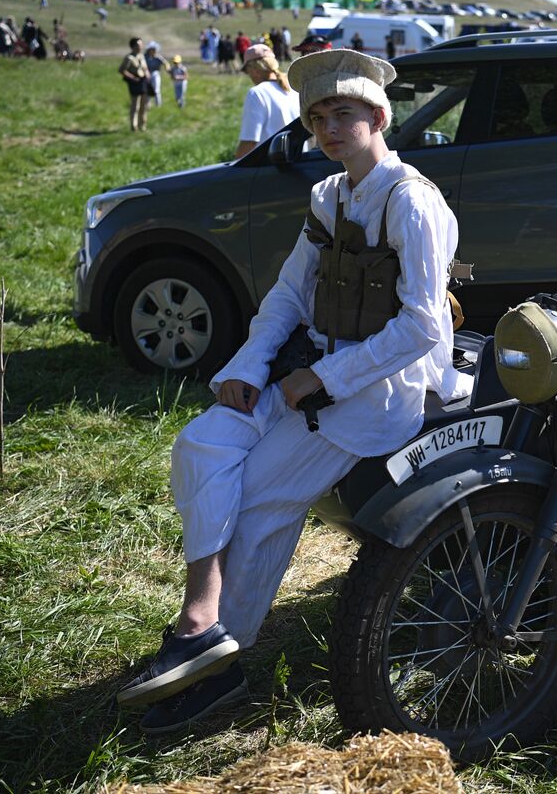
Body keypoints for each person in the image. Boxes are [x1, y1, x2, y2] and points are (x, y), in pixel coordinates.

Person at [116, 49, 464, 735]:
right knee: (203, 444)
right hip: (311, 374)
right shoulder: (329, 197)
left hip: (378, 397)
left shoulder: (411, 202)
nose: (329, 128)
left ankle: (218, 667)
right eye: (316, 117)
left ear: (379, 116)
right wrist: (249, 364)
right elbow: (287, 294)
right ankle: (204, 620)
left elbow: (425, 324)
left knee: (260, 501)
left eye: (343, 113)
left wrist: (323, 378)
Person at [233, 43, 298, 158]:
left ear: (253, 69)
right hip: (297, 161)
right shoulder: (292, 90)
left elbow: (249, 142)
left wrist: (233, 170)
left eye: (247, 71)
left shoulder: (257, 93)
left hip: (268, 167)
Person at [120, 37, 152, 131]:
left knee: (144, 105)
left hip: (144, 82)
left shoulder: (141, 56)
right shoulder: (129, 58)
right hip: (135, 83)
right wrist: (133, 78)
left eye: (141, 45)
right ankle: (134, 126)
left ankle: (143, 124)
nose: (141, 46)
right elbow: (122, 70)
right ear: (133, 46)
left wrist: (148, 75)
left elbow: (145, 68)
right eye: (138, 45)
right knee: (135, 105)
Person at [145, 42, 171, 107]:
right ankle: (147, 105)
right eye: (153, 49)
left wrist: (167, 69)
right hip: (146, 75)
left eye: (155, 50)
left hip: (155, 74)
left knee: (156, 90)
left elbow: (166, 63)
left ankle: (158, 105)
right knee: (147, 90)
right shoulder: (145, 57)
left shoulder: (158, 57)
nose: (154, 51)